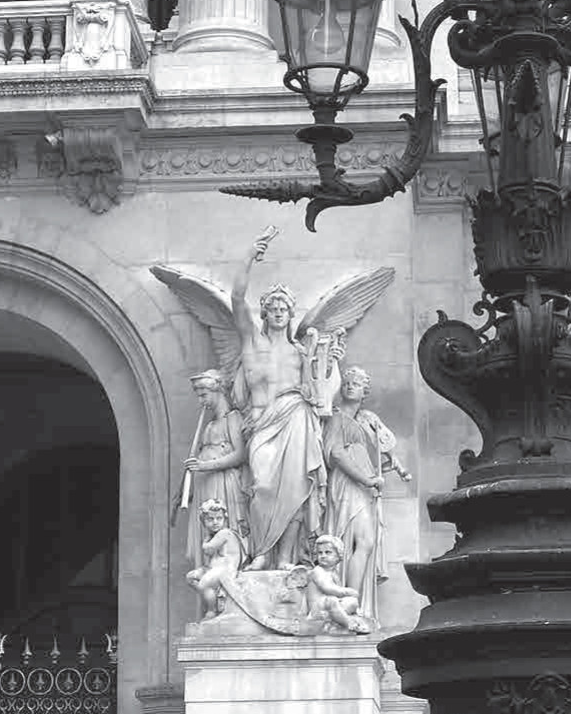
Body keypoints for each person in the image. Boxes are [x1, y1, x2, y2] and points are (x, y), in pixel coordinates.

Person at [231, 228, 342, 570]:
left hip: (296, 417)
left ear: (291, 314)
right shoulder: (253, 343)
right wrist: (249, 256)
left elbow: (317, 392)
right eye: (273, 307)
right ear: (264, 313)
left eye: (284, 308)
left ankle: (282, 558)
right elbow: (237, 299)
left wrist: (329, 364)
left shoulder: (300, 352)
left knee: (296, 489)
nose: (279, 312)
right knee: (262, 485)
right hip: (261, 424)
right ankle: (261, 551)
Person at [322, 366, 409, 620]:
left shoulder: (363, 421)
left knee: (362, 542)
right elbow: (336, 454)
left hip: (362, 486)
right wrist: (367, 479)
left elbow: (372, 455)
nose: (350, 386)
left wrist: (382, 470)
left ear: (365, 392)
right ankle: (349, 600)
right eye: (347, 383)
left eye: (356, 384)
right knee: (362, 540)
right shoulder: (336, 418)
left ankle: (351, 600)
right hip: (348, 484)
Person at [175, 369, 249, 566]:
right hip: (206, 482)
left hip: (223, 481)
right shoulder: (209, 424)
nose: (201, 401)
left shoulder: (233, 418)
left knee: (222, 525)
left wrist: (205, 465)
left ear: (218, 392)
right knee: (206, 528)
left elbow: (240, 454)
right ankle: (207, 568)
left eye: (204, 395)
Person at [185, 499, 245, 621]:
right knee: (191, 577)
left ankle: (212, 611)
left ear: (225, 519)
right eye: (210, 519)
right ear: (204, 521)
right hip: (215, 568)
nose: (215, 522)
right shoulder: (217, 534)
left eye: (219, 518)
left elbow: (208, 549)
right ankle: (216, 597)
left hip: (226, 569)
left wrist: (206, 540)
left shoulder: (224, 533)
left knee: (204, 584)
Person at [307, 535, 369, 634]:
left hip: (329, 608)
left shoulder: (334, 573)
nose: (323, 556)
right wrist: (347, 591)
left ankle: (335, 617)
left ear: (338, 555)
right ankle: (349, 623)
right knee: (331, 600)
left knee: (352, 602)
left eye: (328, 552)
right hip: (317, 609)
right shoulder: (317, 571)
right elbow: (328, 588)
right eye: (320, 553)